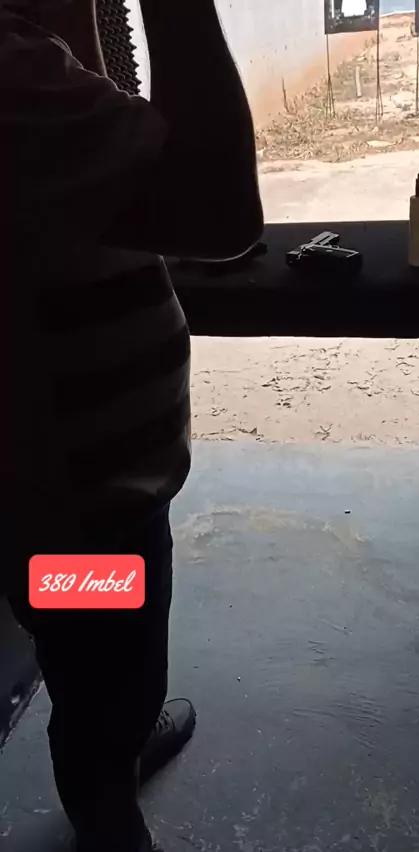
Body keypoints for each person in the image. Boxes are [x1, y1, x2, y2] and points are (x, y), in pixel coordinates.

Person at [1, 0, 263, 847]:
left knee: (93, 645)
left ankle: (116, 731)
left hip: (69, 497)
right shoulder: (12, 79)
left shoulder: (33, 67)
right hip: (76, 517)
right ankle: (105, 793)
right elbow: (222, 211)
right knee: (103, 662)